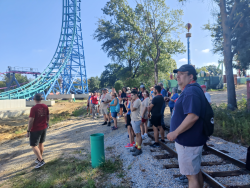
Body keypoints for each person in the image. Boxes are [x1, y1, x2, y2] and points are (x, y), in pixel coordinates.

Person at [167, 64, 208, 188]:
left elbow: (193, 116)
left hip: (188, 141)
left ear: (191, 76)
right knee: (195, 172)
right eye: (177, 74)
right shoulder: (191, 90)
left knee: (191, 176)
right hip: (190, 140)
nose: (177, 76)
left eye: (181, 74)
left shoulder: (190, 91)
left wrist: (175, 132)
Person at [26, 93, 49, 169]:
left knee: (33, 145)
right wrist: (47, 124)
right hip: (44, 127)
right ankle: (39, 158)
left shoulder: (33, 108)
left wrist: (28, 131)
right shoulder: (45, 106)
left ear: (34, 99)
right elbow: (48, 116)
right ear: (41, 99)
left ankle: (41, 160)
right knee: (41, 143)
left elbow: (31, 121)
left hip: (36, 129)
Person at [130, 90, 143, 156]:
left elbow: (132, 109)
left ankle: (139, 149)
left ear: (136, 95)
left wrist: (130, 103)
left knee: (138, 135)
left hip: (136, 120)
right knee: (136, 134)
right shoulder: (135, 101)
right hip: (134, 119)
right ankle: (136, 146)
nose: (131, 96)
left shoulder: (137, 101)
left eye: (132, 95)